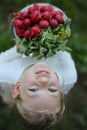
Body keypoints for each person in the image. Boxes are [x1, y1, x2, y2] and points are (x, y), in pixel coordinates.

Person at [0, 3, 77, 130]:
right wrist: (59, 48)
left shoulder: (4, 74)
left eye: (34, 90)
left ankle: (6, 98)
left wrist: (17, 50)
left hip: (8, 83)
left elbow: (2, 59)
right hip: (49, 52)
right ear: (61, 91)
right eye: (52, 90)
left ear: (18, 87)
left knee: (6, 93)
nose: (44, 81)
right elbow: (66, 58)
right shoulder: (69, 77)